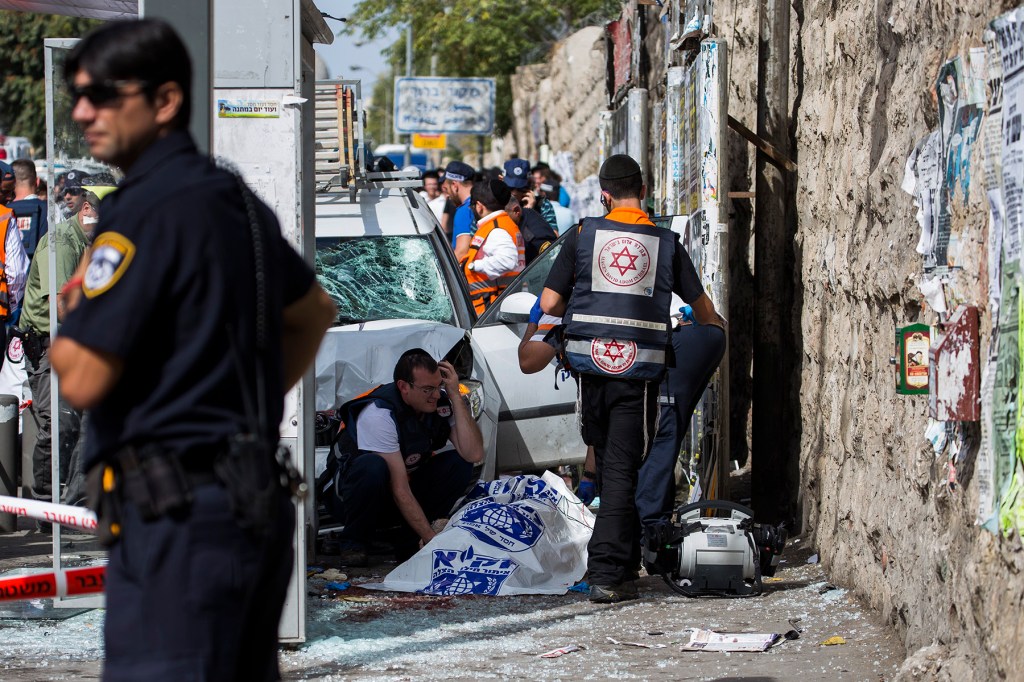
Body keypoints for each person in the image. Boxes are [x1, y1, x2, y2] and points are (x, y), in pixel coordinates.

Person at [49, 19, 336, 680]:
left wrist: (72, 317)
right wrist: (242, 402)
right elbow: (315, 312)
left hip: (176, 529)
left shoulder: (145, 211)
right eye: (79, 94)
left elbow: (86, 378)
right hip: (248, 510)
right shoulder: (230, 197)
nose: (83, 112)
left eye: (102, 95)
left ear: (166, 101)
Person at [540, 154, 725, 603]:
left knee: (610, 465)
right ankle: (607, 572)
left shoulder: (583, 235)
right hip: (636, 374)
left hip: (590, 372)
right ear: (643, 190)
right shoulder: (664, 243)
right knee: (621, 469)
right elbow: (702, 311)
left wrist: (590, 312)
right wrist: (717, 328)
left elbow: (548, 302)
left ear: (604, 194)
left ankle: (619, 565)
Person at [326, 349, 484, 566]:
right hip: (355, 496)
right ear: (403, 387)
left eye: (438, 387)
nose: (436, 395)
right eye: (428, 389)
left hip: (400, 491)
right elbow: (399, 488)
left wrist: (455, 395)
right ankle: (354, 541)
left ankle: (408, 541)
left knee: (458, 463)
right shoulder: (379, 413)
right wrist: (432, 539)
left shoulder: (440, 403)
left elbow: (473, 453)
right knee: (373, 466)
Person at [21, 175, 111, 511]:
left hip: (78, 343)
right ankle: (45, 505)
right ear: (86, 209)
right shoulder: (61, 244)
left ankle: (73, 498)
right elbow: (60, 308)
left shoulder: (96, 243)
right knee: (57, 422)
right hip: (47, 344)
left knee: (83, 420)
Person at [464, 179, 525, 314]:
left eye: (472, 206)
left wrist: (473, 266)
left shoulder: (496, 229)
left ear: (479, 206)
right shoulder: (499, 224)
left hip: (492, 307)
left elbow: (508, 260)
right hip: (497, 304)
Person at [0, 164, 30, 366]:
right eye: (5, 192)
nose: (10, 198)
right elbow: (16, 273)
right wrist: (10, 309)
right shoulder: (4, 218)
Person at [502, 159, 556, 264]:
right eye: (510, 188)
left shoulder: (543, 205)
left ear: (529, 184)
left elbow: (553, 242)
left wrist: (529, 213)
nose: (515, 193)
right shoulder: (497, 203)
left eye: (520, 188)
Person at [7, 159, 49, 259]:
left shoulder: (3, 212)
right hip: (41, 272)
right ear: (37, 181)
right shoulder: (51, 210)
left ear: (12, 183)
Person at [443, 160, 475, 262]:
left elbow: (462, 252)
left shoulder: (465, 210)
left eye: (447, 189)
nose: (447, 195)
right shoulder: (479, 204)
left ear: (454, 185)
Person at [420, 169, 452, 236]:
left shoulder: (444, 201)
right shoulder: (421, 197)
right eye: (429, 184)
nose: (432, 187)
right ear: (424, 186)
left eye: (434, 184)